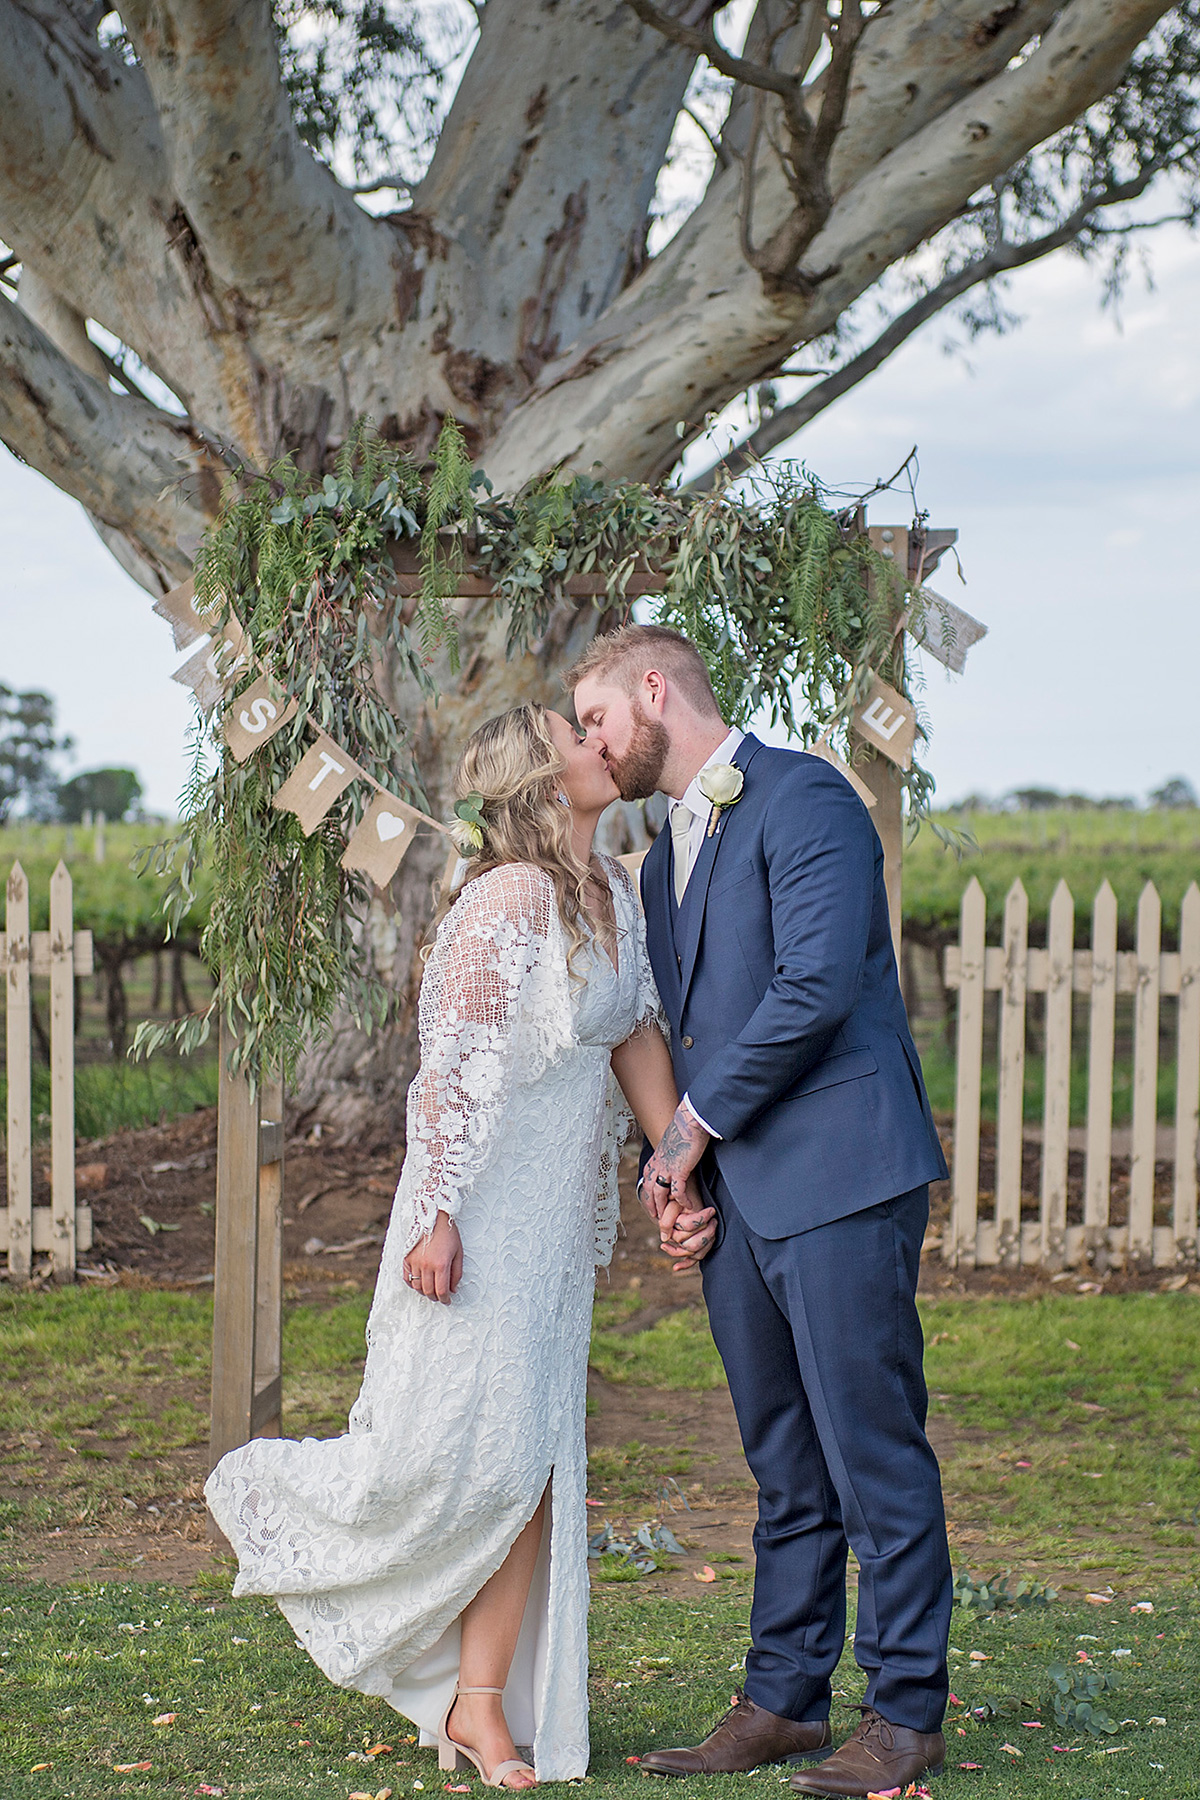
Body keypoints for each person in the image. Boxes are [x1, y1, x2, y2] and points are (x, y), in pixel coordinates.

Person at [205, 702, 715, 1789]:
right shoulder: (505, 900)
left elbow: (631, 1030)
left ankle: (481, 1706)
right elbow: (450, 1069)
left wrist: (675, 1165)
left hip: (550, 1230)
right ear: (543, 776)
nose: (602, 739)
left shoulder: (615, 888)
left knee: (529, 1460)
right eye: (580, 734)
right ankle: (297, 1514)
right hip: (475, 1215)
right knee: (451, 1463)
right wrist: (434, 1216)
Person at [569, 626, 953, 1798]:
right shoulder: (653, 863)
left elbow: (818, 984)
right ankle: (783, 1697)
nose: (590, 744)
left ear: (653, 689)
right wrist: (669, 1169)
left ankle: (904, 1711)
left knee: (870, 1450)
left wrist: (690, 1135)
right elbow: (684, 1036)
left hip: (842, 1176)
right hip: (739, 1208)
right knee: (784, 1464)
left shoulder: (808, 796)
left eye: (593, 719)